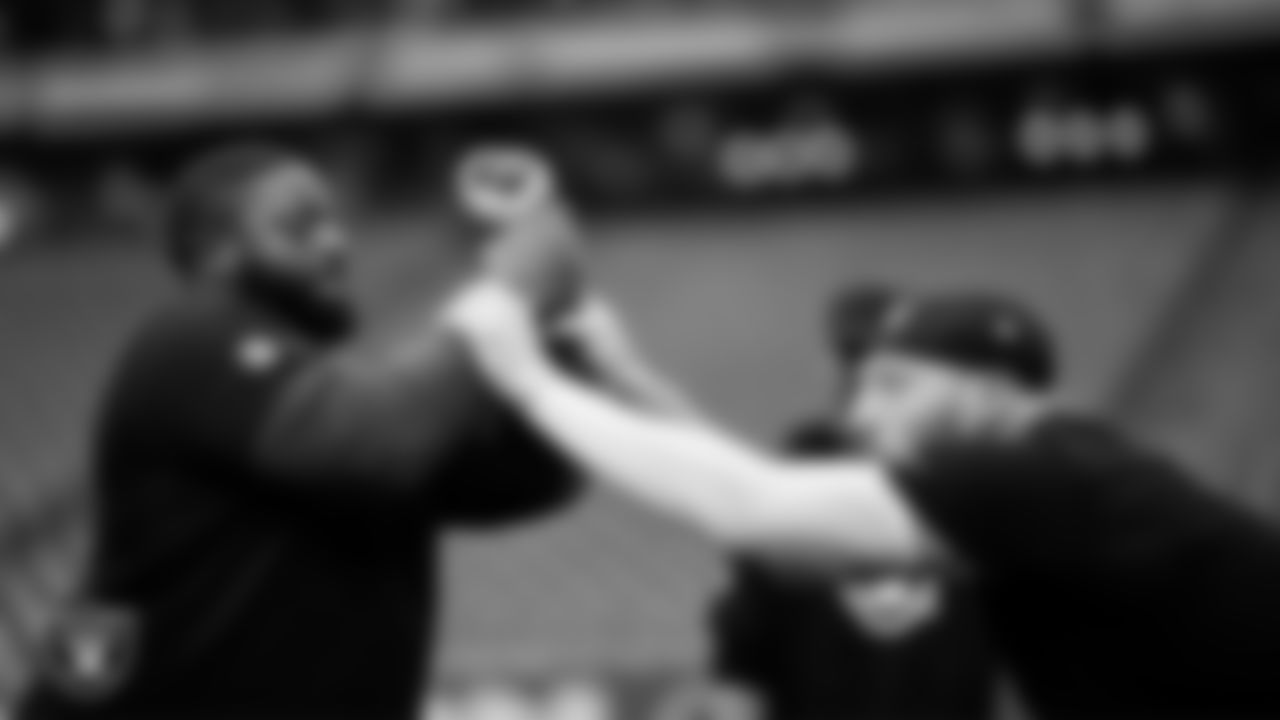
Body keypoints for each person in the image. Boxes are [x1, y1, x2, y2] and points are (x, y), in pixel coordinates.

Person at [444, 273, 1280, 720]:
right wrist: (624, 374)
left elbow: (753, 507)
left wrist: (526, 380)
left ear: (991, 389)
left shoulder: (1033, 476)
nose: (862, 413)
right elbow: (779, 512)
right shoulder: (1060, 477)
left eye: (895, 385)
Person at [17, 142, 584, 720]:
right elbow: (376, 441)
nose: (335, 243)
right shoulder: (188, 340)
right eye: (299, 227)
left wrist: (549, 325)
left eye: (335, 223)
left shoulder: (353, 399)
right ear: (218, 253)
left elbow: (535, 476)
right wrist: (508, 291)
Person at [711, 284, 995, 720]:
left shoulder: (969, 477)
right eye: (860, 366)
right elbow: (749, 628)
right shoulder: (806, 468)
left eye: (893, 378)